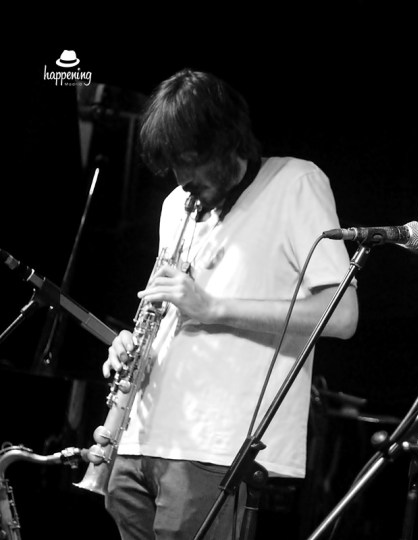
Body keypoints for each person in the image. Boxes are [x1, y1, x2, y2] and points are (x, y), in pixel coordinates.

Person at [99, 69, 359, 540]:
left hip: (216, 447)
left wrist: (214, 308)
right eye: (173, 165)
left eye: (190, 160)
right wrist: (134, 345)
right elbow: (172, 308)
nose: (182, 179)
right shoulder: (175, 205)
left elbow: (342, 315)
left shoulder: (295, 182)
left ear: (226, 142)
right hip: (140, 440)